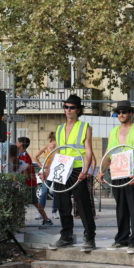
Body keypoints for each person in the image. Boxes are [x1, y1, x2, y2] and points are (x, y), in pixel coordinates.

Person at [47, 94, 97, 252]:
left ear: (78, 110)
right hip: (62, 167)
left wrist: (85, 169)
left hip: (77, 169)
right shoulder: (59, 128)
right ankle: (66, 236)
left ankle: (89, 237)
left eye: (72, 107)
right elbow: (57, 151)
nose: (68, 110)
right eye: (66, 107)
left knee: (82, 203)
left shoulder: (85, 127)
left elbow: (88, 151)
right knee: (62, 203)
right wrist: (48, 169)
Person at [98, 100, 134, 254]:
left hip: (133, 173)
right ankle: (122, 239)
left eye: (124, 112)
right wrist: (100, 170)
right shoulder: (113, 132)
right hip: (118, 173)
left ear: (131, 113)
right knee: (121, 208)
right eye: (118, 112)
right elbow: (108, 154)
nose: (121, 115)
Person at [17, 137, 53, 226]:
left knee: (31, 202)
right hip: (28, 183)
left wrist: (20, 181)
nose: (16, 143)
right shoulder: (21, 155)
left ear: (21, 144)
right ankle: (45, 219)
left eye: (17, 142)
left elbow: (25, 171)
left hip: (28, 183)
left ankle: (46, 219)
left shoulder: (24, 156)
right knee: (29, 202)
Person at [34, 131, 58, 219]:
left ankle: (43, 212)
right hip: (51, 171)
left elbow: (35, 156)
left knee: (45, 192)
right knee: (51, 192)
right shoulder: (54, 146)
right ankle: (53, 212)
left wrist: (42, 166)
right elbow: (35, 156)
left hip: (52, 170)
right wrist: (42, 166)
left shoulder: (51, 146)